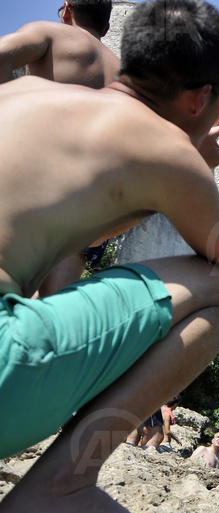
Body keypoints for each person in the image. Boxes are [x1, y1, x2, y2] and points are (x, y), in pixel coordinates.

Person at [0, 1, 219, 513]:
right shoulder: (165, 152)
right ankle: (60, 490)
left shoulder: (21, 92)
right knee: (216, 289)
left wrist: (183, 165)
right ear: (202, 97)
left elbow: (75, 221)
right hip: (5, 372)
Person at [0, 0, 122, 298]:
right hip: (90, 203)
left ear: (66, 11)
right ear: (106, 27)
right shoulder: (123, 73)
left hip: (37, 179)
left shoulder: (53, 35)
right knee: (48, 308)